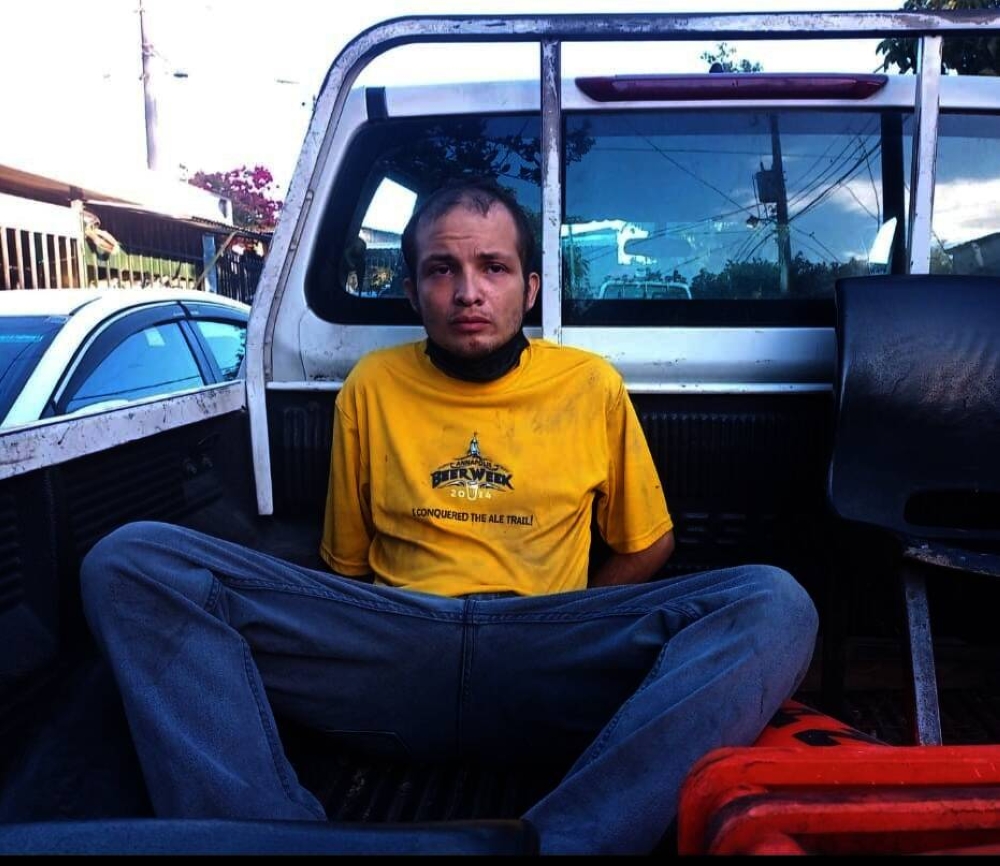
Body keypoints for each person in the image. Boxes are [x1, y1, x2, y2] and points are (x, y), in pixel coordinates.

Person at [80, 177, 818, 856]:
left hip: (545, 648)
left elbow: (650, 543)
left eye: (494, 268)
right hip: (396, 642)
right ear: (412, 291)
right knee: (133, 561)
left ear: (529, 288)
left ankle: (566, 843)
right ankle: (266, 839)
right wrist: (363, 636)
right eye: (442, 270)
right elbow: (345, 568)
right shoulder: (371, 385)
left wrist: (575, 622)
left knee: (773, 601)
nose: (469, 292)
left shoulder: (590, 385)